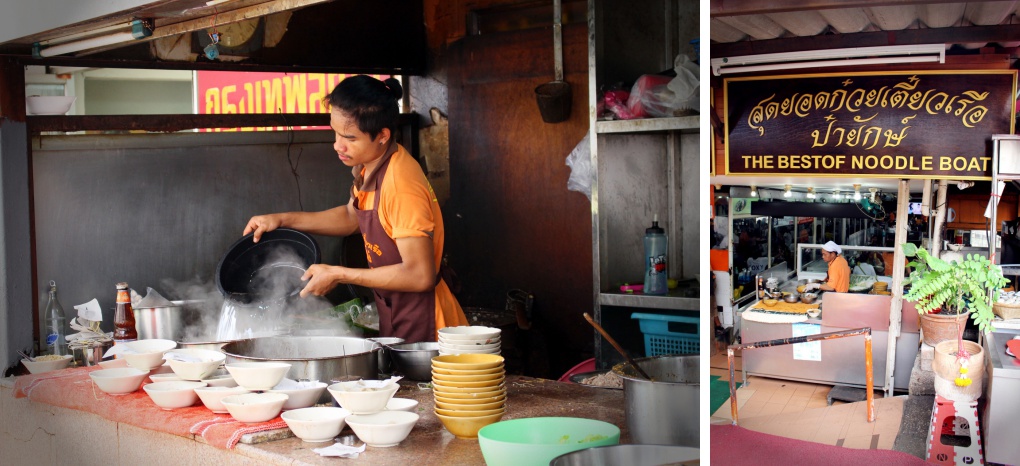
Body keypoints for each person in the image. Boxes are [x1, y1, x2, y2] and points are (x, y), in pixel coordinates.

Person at [242, 75, 468, 343]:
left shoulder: (401, 183)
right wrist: (281, 219)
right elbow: (352, 217)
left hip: (429, 324)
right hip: (396, 311)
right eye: (335, 132)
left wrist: (339, 274)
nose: (338, 145)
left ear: (383, 135)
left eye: (349, 137)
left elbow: (420, 275)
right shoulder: (370, 165)